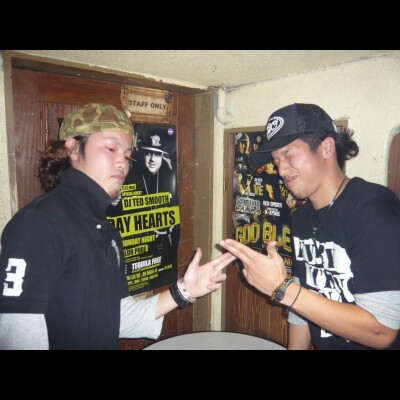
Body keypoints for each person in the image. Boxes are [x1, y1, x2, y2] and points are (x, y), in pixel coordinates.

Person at [0, 103, 235, 350]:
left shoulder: (104, 229)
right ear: (73, 148)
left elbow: (117, 317)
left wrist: (184, 291)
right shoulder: (38, 224)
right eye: (111, 148)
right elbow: (17, 336)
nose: (122, 162)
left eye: (127, 155)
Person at [220, 103, 400, 350]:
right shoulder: (302, 218)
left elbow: (382, 331)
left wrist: (282, 289)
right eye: (276, 160)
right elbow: (301, 309)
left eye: (289, 154)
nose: (281, 169)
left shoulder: (371, 209)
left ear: (326, 148)